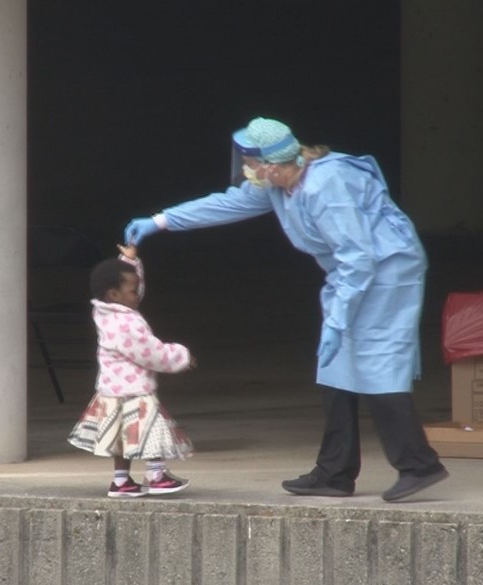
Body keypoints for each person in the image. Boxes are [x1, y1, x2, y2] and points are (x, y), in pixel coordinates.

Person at [124, 116, 447, 501]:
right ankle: (335, 472)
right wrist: (162, 221)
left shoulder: (328, 185)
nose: (247, 169)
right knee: (334, 369)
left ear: (273, 164)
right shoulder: (279, 185)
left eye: (251, 161)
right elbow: (229, 204)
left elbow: (360, 258)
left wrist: (338, 321)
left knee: (377, 366)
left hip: (387, 273)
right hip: (350, 275)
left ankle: (418, 464)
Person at [67, 244, 197, 496]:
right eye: (133, 290)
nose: (138, 293)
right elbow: (152, 353)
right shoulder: (126, 323)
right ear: (114, 294)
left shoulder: (104, 311)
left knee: (120, 439)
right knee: (151, 431)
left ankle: (121, 481)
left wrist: (129, 260)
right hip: (135, 391)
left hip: (110, 391)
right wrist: (182, 356)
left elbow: (130, 284)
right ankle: (156, 475)